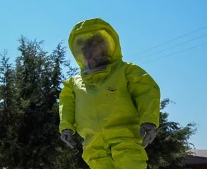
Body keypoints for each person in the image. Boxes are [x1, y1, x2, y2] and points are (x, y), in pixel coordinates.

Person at [59, 18, 160, 169]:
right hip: (93, 143)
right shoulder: (74, 83)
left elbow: (146, 92)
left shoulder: (126, 71)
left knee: (130, 163)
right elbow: (66, 104)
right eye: (86, 49)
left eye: (95, 48)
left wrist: (149, 120)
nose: (90, 53)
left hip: (125, 136)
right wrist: (66, 127)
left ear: (106, 48)